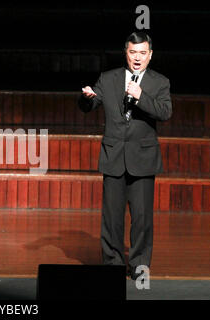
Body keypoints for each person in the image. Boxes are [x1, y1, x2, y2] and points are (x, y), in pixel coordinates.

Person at [78, 32, 172, 279]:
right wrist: (86, 97)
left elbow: (165, 112)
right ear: (126, 53)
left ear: (150, 55)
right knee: (112, 218)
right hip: (114, 156)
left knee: (142, 218)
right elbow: (90, 105)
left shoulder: (159, 82)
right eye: (133, 52)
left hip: (143, 158)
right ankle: (113, 265)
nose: (137, 58)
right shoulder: (108, 79)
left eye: (143, 53)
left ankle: (140, 265)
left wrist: (141, 96)